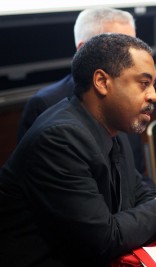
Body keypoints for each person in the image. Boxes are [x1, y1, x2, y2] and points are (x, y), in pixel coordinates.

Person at [0, 34, 156, 267]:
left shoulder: (111, 128)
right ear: (102, 82)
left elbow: (138, 194)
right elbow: (104, 239)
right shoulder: (59, 139)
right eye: (143, 83)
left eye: (153, 85)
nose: (154, 95)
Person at [17, 7, 149, 184]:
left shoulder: (130, 100)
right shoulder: (46, 105)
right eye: (121, 50)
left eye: (134, 46)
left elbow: (137, 177)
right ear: (84, 49)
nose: (133, 59)